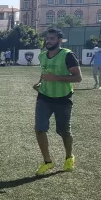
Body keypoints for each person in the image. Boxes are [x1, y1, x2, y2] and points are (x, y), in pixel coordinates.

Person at [33, 27, 82, 175]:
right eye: (47, 38)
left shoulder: (68, 55)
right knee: (40, 129)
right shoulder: (42, 56)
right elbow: (45, 73)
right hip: (44, 97)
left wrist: (56, 78)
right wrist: (40, 83)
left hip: (63, 98)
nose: (48, 41)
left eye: (52, 39)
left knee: (64, 131)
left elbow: (78, 78)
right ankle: (48, 162)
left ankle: (69, 157)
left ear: (59, 41)